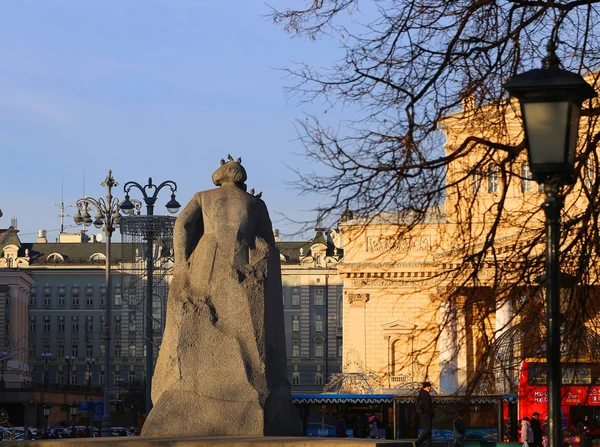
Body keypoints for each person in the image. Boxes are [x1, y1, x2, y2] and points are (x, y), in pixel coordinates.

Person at [415, 381, 434, 447]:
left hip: (423, 415)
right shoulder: (425, 394)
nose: (430, 389)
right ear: (428, 387)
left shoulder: (421, 394)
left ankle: (428, 445)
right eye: (430, 387)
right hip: (426, 415)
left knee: (429, 433)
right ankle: (417, 442)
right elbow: (427, 406)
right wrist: (431, 412)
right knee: (428, 430)